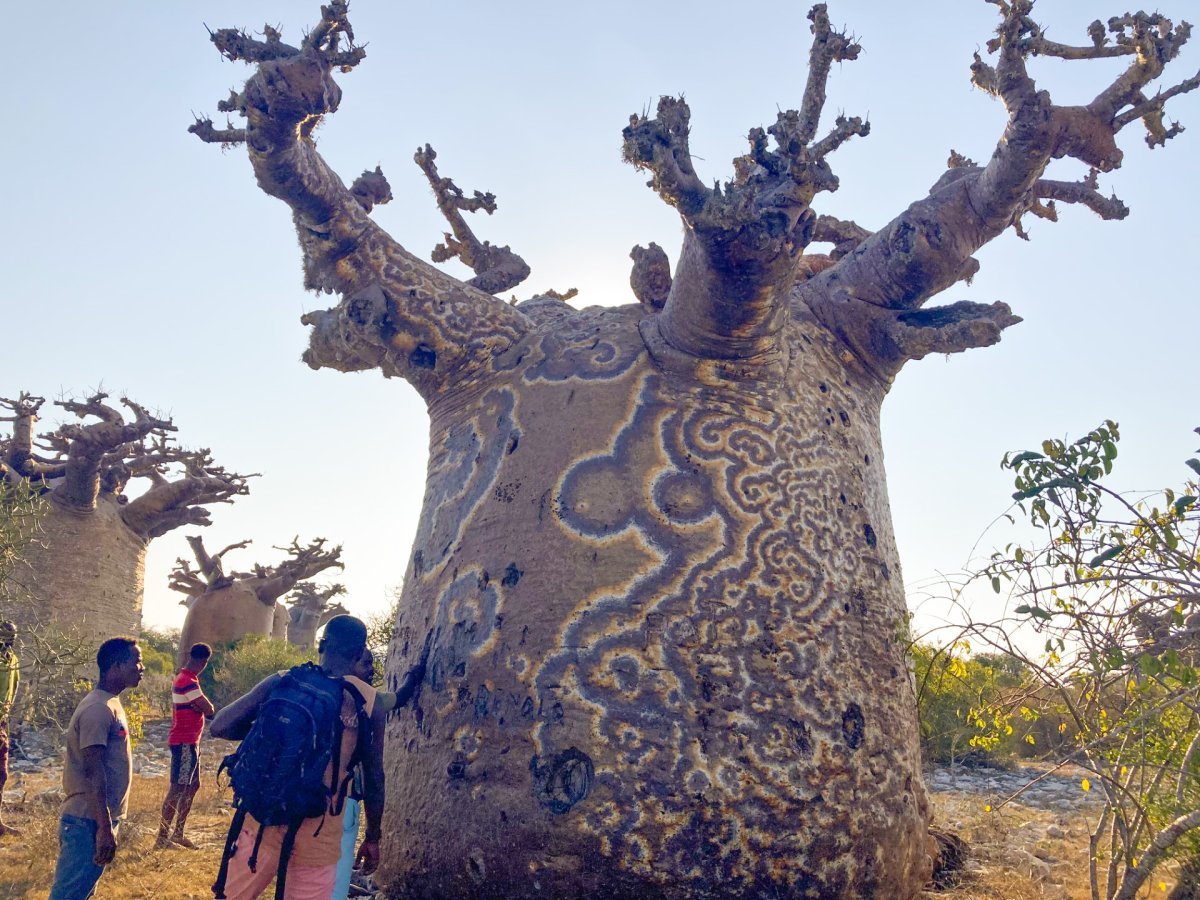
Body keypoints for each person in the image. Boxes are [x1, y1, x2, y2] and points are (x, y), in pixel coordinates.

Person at [211, 616, 389, 900]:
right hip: (320, 828)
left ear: (322, 644)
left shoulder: (283, 680)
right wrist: (373, 836)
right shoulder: (369, 702)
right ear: (359, 654)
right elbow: (375, 776)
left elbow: (219, 725)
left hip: (263, 818)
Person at [48, 636, 144, 900]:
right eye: (136, 661)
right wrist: (103, 828)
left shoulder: (110, 702)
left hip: (96, 819)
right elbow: (93, 771)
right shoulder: (98, 709)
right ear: (115, 666)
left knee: (83, 892)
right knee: (69, 895)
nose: (141, 667)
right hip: (86, 820)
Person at [331, 647, 423, 900]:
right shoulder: (369, 700)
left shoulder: (308, 687)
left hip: (301, 803)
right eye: (366, 663)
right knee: (333, 882)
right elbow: (400, 697)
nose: (371, 670)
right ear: (350, 661)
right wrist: (415, 674)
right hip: (340, 805)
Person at [156, 642, 216, 849]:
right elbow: (209, 709)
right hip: (184, 741)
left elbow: (203, 708)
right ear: (204, 662)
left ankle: (177, 833)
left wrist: (199, 707)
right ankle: (163, 838)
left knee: (192, 785)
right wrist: (202, 708)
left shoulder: (187, 680)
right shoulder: (188, 681)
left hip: (191, 742)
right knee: (178, 788)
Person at [0, 621, 20, 837]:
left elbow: (12, 691)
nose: (8, 640)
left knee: (1, 774)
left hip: (1, 724)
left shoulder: (13, 661)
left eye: (11, 636)